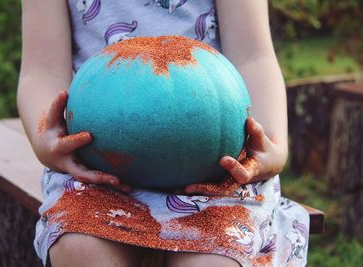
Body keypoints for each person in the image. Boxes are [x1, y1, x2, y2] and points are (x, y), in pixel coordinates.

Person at [18, 0, 310, 266]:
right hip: (97, 169)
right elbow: (40, 71)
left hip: (216, 173)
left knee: (212, 264)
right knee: (80, 250)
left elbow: (253, 56)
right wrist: (45, 136)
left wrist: (273, 143)